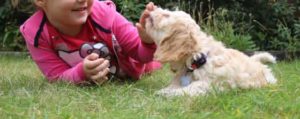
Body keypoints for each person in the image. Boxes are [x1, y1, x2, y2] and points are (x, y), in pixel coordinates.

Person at [20, 0, 161, 85]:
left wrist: (147, 41)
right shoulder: (37, 33)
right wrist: (82, 73)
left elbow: (139, 52)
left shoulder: (105, 15)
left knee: (153, 64)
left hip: (131, 66)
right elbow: (56, 77)